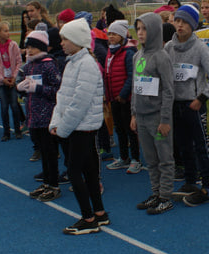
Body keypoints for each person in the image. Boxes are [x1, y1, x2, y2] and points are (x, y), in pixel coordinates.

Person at [51, 18, 109, 235]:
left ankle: (88, 218)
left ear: (76, 40)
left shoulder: (86, 65)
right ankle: (100, 213)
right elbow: (62, 97)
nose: (62, 43)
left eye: (65, 39)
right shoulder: (73, 63)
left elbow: (79, 103)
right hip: (76, 127)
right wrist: (56, 121)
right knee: (90, 171)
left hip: (81, 129)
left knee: (75, 171)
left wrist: (63, 129)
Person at [165, 4, 209, 206]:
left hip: (193, 104)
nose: (180, 25)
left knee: (200, 146)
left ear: (193, 25)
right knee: (182, 145)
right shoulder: (168, 48)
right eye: (177, 21)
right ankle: (190, 181)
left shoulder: (200, 48)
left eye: (185, 22)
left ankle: (206, 186)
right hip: (174, 104)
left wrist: (202, 98)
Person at [131, 12, 176, 215]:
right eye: (138, 29)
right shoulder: (137, 56)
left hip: (157, 117)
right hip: (141, 117)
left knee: (164, 157)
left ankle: (166, 196)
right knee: (150, 159)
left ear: (155, 30)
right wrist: (133, 114)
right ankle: (156, 192)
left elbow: (168, 90)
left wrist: (165, 119)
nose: (140, 33)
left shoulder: (161, 57)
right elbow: (136, 87)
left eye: (144, 29)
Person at [19, 30, 63, 201]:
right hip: (33, 116)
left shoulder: (48, 65)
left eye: (32, 47)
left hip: (47, 117)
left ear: (41, 47)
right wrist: (20, 88)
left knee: (50, 152)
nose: (28, 50)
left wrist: (37, 88)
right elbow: (24, 87)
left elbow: (58, 90)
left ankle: (54, 185)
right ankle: (46, 182)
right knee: (43, 152)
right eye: (27, 47)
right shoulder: (28, 66)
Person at [104, 19, 141, 173]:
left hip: (125, 99)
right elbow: (108, 74)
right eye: (109, 34)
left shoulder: (128, 52)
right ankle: (123, 157)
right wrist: (108, 95)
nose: (111, 37)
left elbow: (132, 76)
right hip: (114, 97)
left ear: (122, 35)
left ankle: (135, 159)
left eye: (115, 34)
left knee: (130, 129)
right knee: (119, 128)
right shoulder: (110, 52)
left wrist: (123, 94)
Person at [0, 22, 23, 141]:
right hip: (1, 82)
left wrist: (14, 76)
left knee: (14, 105)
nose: (8, 33)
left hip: (12, 80)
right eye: (5, 31)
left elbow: (18, 61)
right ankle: (6, 132)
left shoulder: (13, 45)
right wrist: (2, 79)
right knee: (4, 107)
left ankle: (17, 130)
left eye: (8, 30)